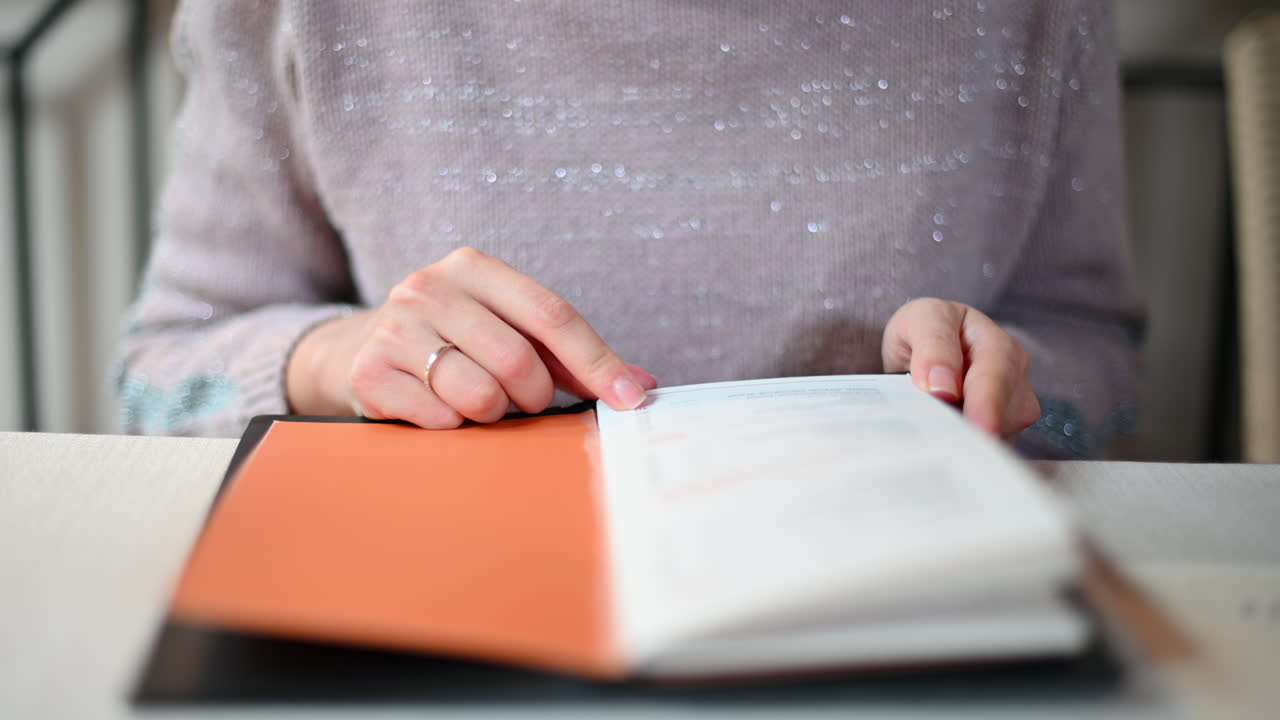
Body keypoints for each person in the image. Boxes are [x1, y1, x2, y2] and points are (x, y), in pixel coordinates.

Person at [118, 0, 1143, 458]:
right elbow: (158, 379)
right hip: (451, 638)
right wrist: (336, 358)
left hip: (906, 624)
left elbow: (1097, 355)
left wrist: (998, 385)